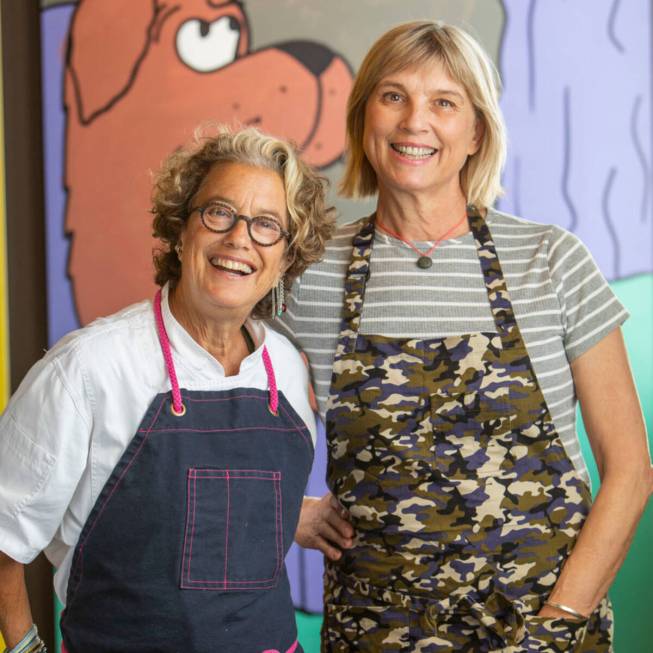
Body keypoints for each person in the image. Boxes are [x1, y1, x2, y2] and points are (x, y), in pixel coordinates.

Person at [277, 21, 652, 652]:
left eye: (444, 103)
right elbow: (221, 428)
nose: (414, 122)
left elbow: (631, 473)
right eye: (393, 96)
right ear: (365, 115)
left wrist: (558, 625)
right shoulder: (308, 278)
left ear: (476, 131)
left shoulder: (550, 261)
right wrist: (289, 512)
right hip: (377, 635)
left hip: (541, 634)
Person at [0, 126, 335, 653]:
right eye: (219, 213)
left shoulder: (288, 370)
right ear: (181, 231)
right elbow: (3, 540)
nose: (239, 239)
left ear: (286, 260)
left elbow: (211, 514)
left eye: (267, 225)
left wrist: (293, 512)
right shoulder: (89, 368)